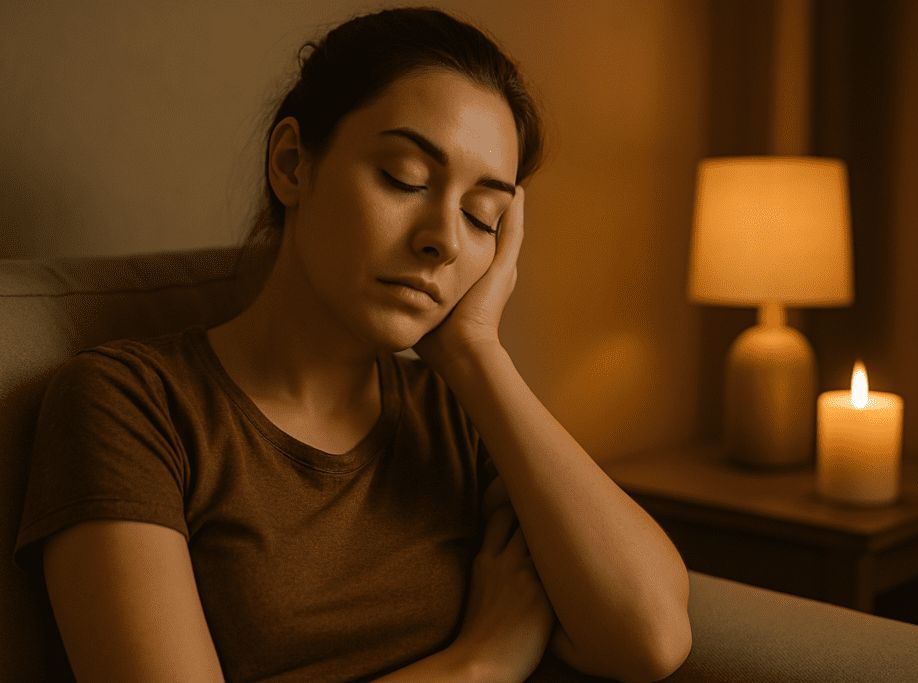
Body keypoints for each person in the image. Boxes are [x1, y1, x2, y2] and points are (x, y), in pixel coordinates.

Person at [15, 7, 691, 683]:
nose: (444, 239)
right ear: (291, 165)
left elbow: (652, 637)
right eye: (405, 178)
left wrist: (476, 354)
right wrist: (479, 663)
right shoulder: (133, 404)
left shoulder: (458, 413)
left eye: (482, 215)